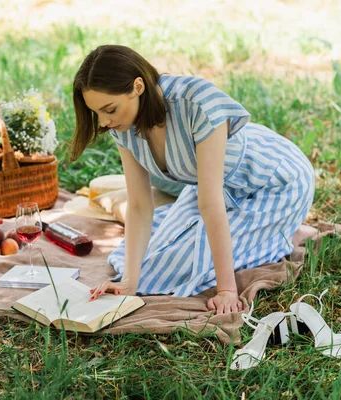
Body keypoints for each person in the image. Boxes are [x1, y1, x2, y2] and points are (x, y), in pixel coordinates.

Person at [70, 45, 315, 314]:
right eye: (97, 113)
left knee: (188, 266)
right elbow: (140, 205)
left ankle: (284, 230)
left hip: (275, 183)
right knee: (150, 262)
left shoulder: (198, 103)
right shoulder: (123, 125)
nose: (103, 122)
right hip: (213, 189)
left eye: (109, 109)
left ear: (137, 87)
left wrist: (227, 290)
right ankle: (268, 232)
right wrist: (129, 282)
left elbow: (209, 203)